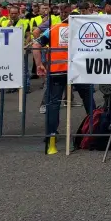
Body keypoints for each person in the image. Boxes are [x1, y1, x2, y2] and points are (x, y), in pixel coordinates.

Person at [32, 15, 96, 153]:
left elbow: (36, 44)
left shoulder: (53, 29)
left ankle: (51, 136)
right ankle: (94, 130)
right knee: (88, 99)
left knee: (53, 103)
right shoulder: (82, 28)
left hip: (57, 70)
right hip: (79, 70)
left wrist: (39, 65)